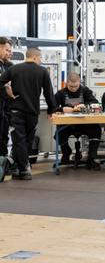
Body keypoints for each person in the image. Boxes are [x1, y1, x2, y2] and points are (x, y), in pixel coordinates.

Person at [0, 47, 56, 180]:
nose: (41, 60)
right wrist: (51, 110)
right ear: (36, 57)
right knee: (27, 140)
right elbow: (49, 93)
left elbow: (1, 81)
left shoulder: (14, 69)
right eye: (40, 58)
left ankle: (20, 167)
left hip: (16, 110)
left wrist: (7, 90)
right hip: (32, 111)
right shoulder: (42, 71)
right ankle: (23, 168)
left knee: (19, 140)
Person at [54, 72, 102, 169]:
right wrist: (62, 109)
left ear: (79, 82)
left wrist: (85, 105)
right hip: (68, 124)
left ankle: (92, 158)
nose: (73, 88)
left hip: (84, 123)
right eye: (71, 86)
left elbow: (95, 102)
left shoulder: (85, 91)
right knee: (59, 134)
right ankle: (66, 153)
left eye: (76, 86)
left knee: (96, 130)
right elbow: (52, 108)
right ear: (67, 83)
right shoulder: (60, 93)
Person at [0, 37, 13, 158]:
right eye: (7, 50)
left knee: (4, 136)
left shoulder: (9, 66)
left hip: (5, 108)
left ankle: (3, 165)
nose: (10, 53)